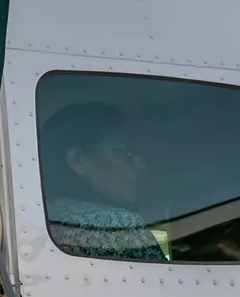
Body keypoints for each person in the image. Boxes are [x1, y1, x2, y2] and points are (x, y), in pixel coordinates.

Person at [39, 101, 166, 262]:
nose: (141, 164)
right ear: (77, 160)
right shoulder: (123, 225)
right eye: (124, 152)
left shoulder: (47, 217)